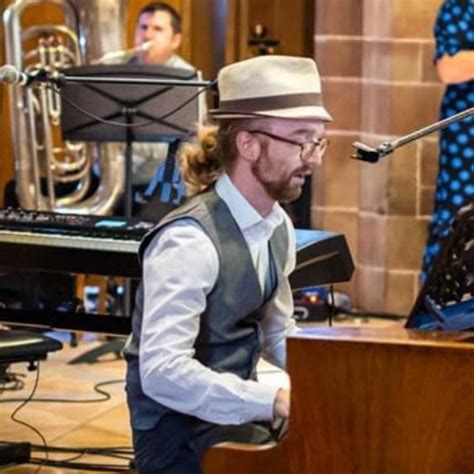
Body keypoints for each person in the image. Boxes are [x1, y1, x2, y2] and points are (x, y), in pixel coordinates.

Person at [123, 54, 332, 473]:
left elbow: (277, 332)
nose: (313, 159)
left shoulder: (278, 225)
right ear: (248, 144)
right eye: (301, 140)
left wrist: (336, 376)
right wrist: (272, 399)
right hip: (176, 443)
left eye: (319, 141)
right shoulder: (188, 241)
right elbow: (161, 371)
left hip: (235, 423)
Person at [421, 0, 474, 279]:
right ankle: (436, 298)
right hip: (467, 137)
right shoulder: (459, 7)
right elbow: (449, 68)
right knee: (457, 220)